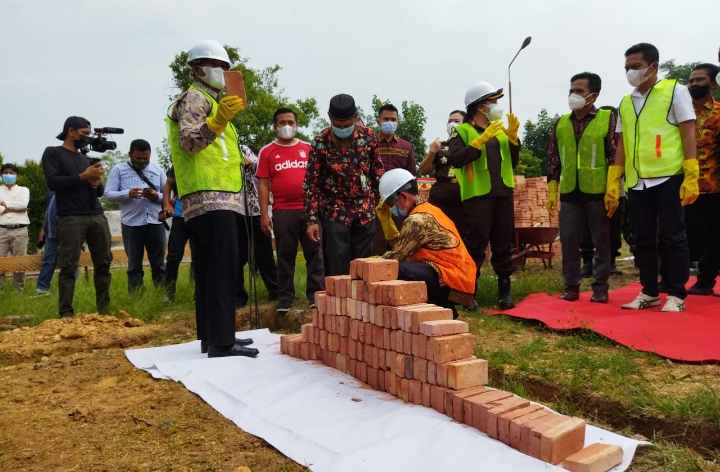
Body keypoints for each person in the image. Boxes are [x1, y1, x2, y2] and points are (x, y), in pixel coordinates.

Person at [165, 39, 257, 358]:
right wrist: (218, 123)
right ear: (195, 68)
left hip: (213, 196)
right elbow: (190, 142)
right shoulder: (195, 97)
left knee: (209, 267)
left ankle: (212, 336)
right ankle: (221, 341)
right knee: (223, 266)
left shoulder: (213, 101)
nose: (220, 71)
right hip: (211, 197)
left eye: (224, 66)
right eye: (213, 65)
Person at [605, 43, 698, 312]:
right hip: (637, 181)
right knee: (642, 239)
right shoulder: (625, 102)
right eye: (626, 68)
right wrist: (615, 180)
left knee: (674, 236)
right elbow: (622, 143)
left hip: (668, 175)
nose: (630, 72)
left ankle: (677, 294)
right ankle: (649, 291)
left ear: (653, 67)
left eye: (635, 67)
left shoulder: (674, 91)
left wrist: (691, 172)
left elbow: (688, 132)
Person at [448, 81, 520, 310]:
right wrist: (478, 142)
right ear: (480, 106)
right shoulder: (462, 131)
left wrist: (514, 139)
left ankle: (505, 295)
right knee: (475, 246)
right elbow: (455, 159)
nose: (497, 105)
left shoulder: (499, 131)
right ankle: (466, 295)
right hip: (478, 196)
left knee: (503, 245)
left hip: (503, 193)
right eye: (493, 101)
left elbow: (513, 162)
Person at [546, 73, 618, 303]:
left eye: (579, 91)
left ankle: (600, 287)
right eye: (571, 90)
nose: (573, 95)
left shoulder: (608, 118)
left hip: (598, 191)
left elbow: (615, 154)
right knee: (569, 241)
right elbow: (554, 158)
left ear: (593, 95)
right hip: (569, 193)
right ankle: (571, 287)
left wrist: (614, 187)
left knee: (601, 242)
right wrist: (552, 189)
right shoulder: (561, 123)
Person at [377, 169, 476, 319]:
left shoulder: (417, 220)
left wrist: (371, 265)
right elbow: (403, 246)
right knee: (400, 267)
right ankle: (444, 310)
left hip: (452, 279)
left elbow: (395, 258)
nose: (391, 208)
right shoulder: (428, 210)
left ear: (403, 196)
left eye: (391, 203)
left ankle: (439, 306)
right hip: (459, 277)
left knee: (397, 270)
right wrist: (387, 223)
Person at [303, 93, 385, 276]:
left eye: (347, 125)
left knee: (364, 270)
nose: (342, 129)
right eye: (338, 125)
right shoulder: (320, 143)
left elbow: (378, 172)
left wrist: (387, 199)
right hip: (335, 214)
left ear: (356, 117)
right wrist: (312, 219)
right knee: (338, 271)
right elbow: (311, 184)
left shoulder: (369, 137)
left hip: (365, 212)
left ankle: (362, 304)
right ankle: (338, 304)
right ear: (329, 118)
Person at [41, 116, 112, 317]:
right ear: (71, 131)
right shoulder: (53, 153)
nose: (87, 138)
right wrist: (84, 176)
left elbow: (99, 192)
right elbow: (53, 182)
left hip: (96, 215)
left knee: (104, 263)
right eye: (84, 134)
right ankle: (66, 314)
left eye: (89, 134)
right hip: (70, 217)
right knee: (68, 267)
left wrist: (97, 183)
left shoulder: (86, 159)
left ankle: (104, 311)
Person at [257, 108, 323, 313]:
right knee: (285, 255)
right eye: (282, 122)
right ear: (275, 126)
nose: (287, 126)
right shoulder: (267, 151)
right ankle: (285, 297)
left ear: (296, 125)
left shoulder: (308, 148)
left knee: (315, 254)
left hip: (309, 210)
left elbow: (318, 179)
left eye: (291, 122)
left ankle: (316, 295)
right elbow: (264, 184)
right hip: (283, 211)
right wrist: (264, 214)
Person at [104, 139, 167, 293]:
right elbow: (108, 194)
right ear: (130, 154)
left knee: (159, 263)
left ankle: (162, 294)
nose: (142, 161)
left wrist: (155, 196)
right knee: (134, 265)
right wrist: (128, 194)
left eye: (145, 158)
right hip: (131, 224)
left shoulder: (157, 170)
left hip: (155, 222)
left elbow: (168, 195)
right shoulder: (118, 170)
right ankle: (137, 295)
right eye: (138, 158)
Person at [683, 63, 720, 295]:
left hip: (711, 187)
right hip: (681, 185)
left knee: (714, 237)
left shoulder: (718, 114)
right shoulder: (679, 113)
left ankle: (705, 280)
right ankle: (670, 279)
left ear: (713, 84)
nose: (693, 85)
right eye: (691, 81)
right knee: (677, 235)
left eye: (700, 80)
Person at [236, 143, 279, 308]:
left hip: (253, 209)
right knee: (236, 256)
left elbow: (257, 165)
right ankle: (238, 296)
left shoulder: (242, 148)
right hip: (232, 210)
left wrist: (245, 161)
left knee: (264, 253)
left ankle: (275, 290)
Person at [373, 103, 416, 255]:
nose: (390, 122)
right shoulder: (370, 144)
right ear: (379, 121)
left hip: (399, 204)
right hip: (376, 203)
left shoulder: (406, 146)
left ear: (398, 121)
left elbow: (412, 177)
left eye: (393, 119)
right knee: (377, 245)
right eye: (386, 119)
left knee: (399, 244)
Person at [418, 110, 467, 238]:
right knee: (437, 236)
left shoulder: (471, 147)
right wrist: (432, 152)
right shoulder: (441, 147)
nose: (452, 124)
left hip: (463, 202)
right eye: (449, 121)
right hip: (440, 200)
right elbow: (423, 170)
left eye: (457, 121)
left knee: (461, 238)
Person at [160, 166, 195, 302]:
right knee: (173, 257)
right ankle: (168, 295)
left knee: (199, 257)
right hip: (180, 216)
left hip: (200, 216)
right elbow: (168, 185)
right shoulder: (178, 163)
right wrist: (166, 205)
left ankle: (200, 294)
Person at [0, 163, 30, 293]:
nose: (8, 175)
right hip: (1, 229)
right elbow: (21, 207)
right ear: (1, 175)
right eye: (5, 172)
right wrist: (17, 209)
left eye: (11, 173)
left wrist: (5, 206)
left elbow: (23, 204)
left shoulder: (24, 190)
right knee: (0, 261)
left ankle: (18, 291)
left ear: (17, 176)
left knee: (19, 261)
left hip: (20, 229)